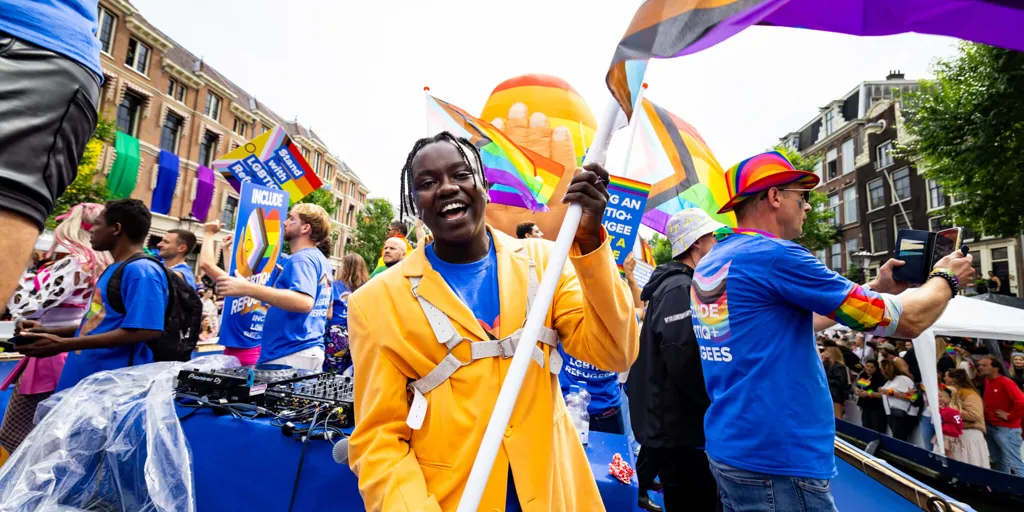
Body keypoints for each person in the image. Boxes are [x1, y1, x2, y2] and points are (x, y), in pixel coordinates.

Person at [347, 132, 638, 511]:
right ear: (415, 204)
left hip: (554, 494)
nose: (448, 187)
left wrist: (590, 245)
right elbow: (379, 440)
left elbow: (617, 352)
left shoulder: (546, 263)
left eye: (461, 174)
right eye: (428, 183)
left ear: (483, 186)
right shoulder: (375, 302)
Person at [689, 151, 975, 511]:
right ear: (775, 197)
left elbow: (792, 322)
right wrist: (946, 278)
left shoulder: (715, 259)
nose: (807, 207)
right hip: (780, 459)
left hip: (734, 447)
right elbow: (909, 321)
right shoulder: (777, 255)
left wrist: (877, 287)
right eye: (802, 196)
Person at [0, 1, 103, 317]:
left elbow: (28, 307)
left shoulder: (74, 263)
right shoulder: (92, 264)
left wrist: (21, 296)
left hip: (32, 42)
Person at [629, 208, 723, 512]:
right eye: (711, 238)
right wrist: (711, 404)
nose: (716, 244)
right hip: (680, 427)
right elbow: (682, 357)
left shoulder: (675, 286)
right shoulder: (680, 288)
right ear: (695, 243)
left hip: (673, 422)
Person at [17, 199, 167, 391]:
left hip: (110, 388)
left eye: (97, 224)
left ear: (116, 229)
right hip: (84, 381)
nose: (91, 231)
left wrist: (63, 344)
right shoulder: (115, 268)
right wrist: (48, 331)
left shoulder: (142, 271)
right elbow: (97, 323)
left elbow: (146, 330)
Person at [0, 203, 111, 461]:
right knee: (52, 433)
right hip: (69, 351)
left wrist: (12, 275)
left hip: (48, 353)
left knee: (19, 433)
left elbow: (28, 309)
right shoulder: (102, 266)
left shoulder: (75, 265)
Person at [216, 204, 333, 371]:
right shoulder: (318, 259)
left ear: (305, 228)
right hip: (302, 351)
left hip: (289, 354)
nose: (285, 223)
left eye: (292, 219)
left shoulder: (302, 259)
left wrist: (247, 288)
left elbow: (305, 302)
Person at [977, 355, 1024, 475]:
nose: (980, 367)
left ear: (995, 368)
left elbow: (1021, 402)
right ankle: (1005, 487)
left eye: (984, 365)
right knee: (999, 461)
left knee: (1014, 462)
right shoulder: (987, 381)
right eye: (980, 365)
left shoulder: (1006, 383)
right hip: (992, 426)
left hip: (1007, 429)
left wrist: (1010, 416)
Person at [325, 253, 369, 372]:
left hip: (336, 332)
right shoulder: (368, 287)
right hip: (358, 334)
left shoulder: (335, 286)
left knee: (331, 373)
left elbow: (328, 309)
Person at [944, 369, 990, 467]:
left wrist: (950, 410)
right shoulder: (952, 393)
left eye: (946, 376)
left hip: (970, 434)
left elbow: (974, 414)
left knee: (971, 463)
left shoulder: (970, 394)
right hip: (958, 434)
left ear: (954, 379)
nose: (944, 378)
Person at [879, 359, 919, 441]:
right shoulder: (890, 381)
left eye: (882, 370)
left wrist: (890, 393)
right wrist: (869, 392)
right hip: (892, 414)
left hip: (902, 415)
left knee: (899, 438)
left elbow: (912, 397)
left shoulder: (903, 379)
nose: (881, 372)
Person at [855, 360, 888, 434]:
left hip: (876, 407)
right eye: (867, 366)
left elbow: (881, 394)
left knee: (876, 428)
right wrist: (857, 390)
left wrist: (869, 393)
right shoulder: (863, 375)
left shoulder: (879, 377)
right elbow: (859, 386)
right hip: (865, 405)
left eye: (872, 367)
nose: (869, 369)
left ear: (876, 368)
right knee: (866, 426)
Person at [822, 346, 850, 419]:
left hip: (836, 396)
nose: (824, 353)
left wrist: (826, 380)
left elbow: (841, 382)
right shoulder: (827, 364)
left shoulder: (839, 366)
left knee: (836, 417)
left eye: (827, 351)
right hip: (828, 394)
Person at [936, 386, 963, 458]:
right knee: (947, 452)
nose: (938, 398)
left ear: (949, 400)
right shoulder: (953, 409)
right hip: (950, 433)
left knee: (948, 452)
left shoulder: (949, 410)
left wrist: (938, 408)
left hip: (949, 434)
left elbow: (940, 416)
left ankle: (951, 465)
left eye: (940, 396)